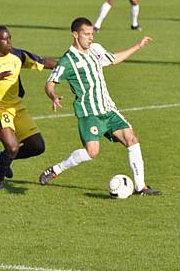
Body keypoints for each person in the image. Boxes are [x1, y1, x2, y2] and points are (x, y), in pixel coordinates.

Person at [39, 17, 161, 196]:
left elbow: (114, 59)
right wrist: (53, 96)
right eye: (86, 34)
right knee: (92, 152)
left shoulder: (95, 50)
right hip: (89, 113)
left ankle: (140, 187)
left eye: (92, 34)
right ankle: (56, 169)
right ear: (75, 35)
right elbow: (50, 83)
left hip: (108, 109)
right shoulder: (68, 60)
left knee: (132, 139)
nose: (91, 38)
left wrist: (137, 46)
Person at [0, 26, 57, 189]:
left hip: (16, 107)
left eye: (10, 38)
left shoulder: (17, 55)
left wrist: (66, 65)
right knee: (13, 146)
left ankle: (2, 157)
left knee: (37, 146)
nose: (9, 42)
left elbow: (42, 61)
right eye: (5, 39)